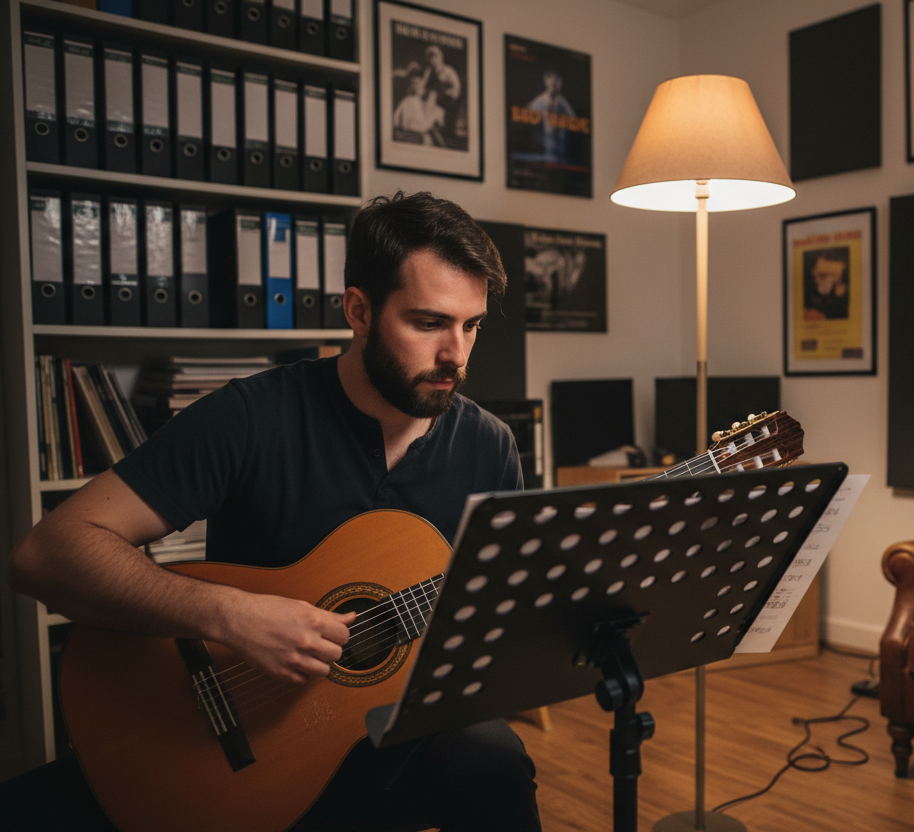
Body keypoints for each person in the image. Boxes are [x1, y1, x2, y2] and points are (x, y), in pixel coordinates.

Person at [3, 191, 543, 832]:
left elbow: (495, 619)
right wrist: (230, 615)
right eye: (429, 323)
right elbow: (47, 552)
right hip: (235, 736)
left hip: (392, 729)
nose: (456, 353)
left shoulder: (489, 445)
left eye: (472, 325)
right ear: (359, 311)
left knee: (497, 766)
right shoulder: (248, 417)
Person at [394, 64, 446, 145]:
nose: (417, 85)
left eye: (419, 83)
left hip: (412, 133)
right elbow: (417, 126)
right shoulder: (410, 101)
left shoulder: (419, 100)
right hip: (411, 134)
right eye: (414, 83)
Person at [803, 250, 850, 321]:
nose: (828, 280)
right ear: (813, 271)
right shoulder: (804, 292)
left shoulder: (848, 301)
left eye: (833, 276)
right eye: (822, 275)